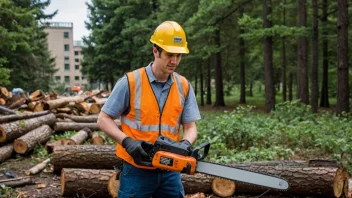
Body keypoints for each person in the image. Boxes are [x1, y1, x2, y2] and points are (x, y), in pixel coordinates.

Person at [97, 21, 201, 198]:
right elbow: (103, 119)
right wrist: (128, 142)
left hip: (170, 171)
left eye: (178, 55)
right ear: (155, 51)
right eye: (169, 55)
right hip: (136, 170)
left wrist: (186, 144)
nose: (174, 61)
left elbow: (190, 127)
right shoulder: (130, 82)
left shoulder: (183, 85)